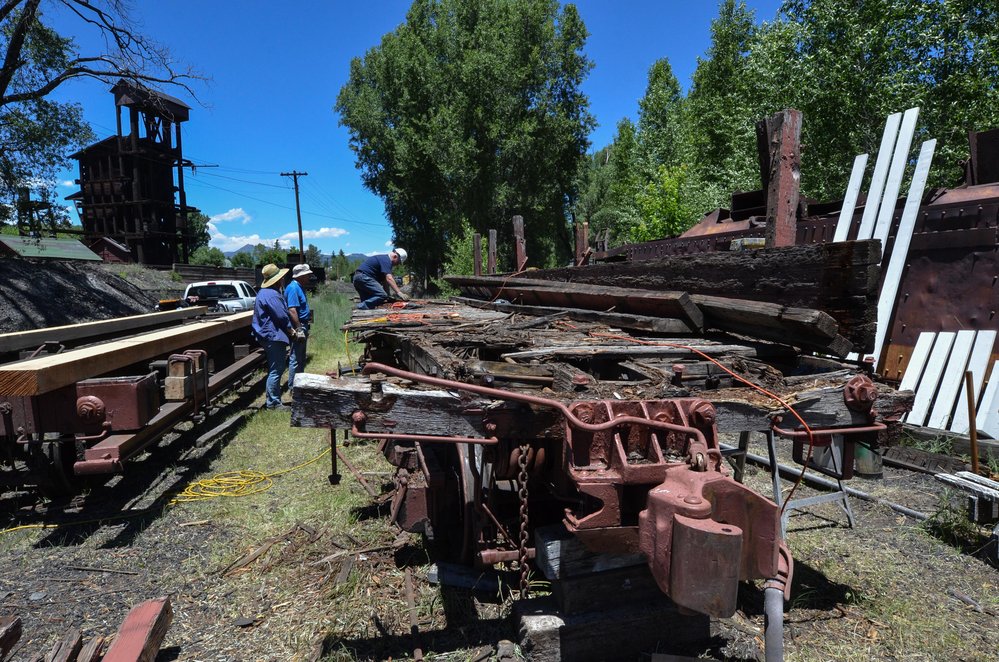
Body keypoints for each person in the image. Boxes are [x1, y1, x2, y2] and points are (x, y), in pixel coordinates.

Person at [251, 263, 294, 410]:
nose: (283, 280)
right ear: (277, 280)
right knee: (277, 369)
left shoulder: (263, 293)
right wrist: (291, 331)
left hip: (268, 335)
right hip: (273, 336)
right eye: (281, 278)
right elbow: (282, 316)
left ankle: (273, 400)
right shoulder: (272, 295)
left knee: (275, 368)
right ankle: (273, 403)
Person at [285, 262, 314, 396]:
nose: (309, 277)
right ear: (301, 276)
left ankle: (300, 384)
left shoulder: (298, 287)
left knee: (301, 357)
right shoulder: (293, 288)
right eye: (307, 275)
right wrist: (299, 328)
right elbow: (292, 310)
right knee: (296, 358)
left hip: (302, 324)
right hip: (299, 326)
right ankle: (293, 387)